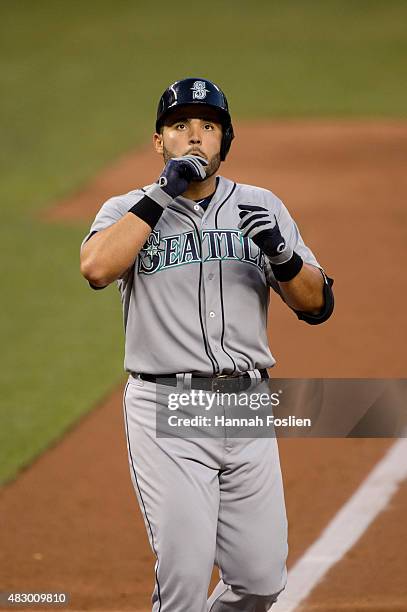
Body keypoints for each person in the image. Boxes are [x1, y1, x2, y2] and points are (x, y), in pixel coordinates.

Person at [80, 77, 334, 611]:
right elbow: (98, 269)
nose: (194, 137)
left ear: (225, 141)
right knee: (185, 579)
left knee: (260, 582)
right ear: (159, 142)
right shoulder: (126, 209)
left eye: (208, 127)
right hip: (167, 410)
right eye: (179, 127)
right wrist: (162, 193)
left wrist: (282, 256)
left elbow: (316, 306)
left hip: (246, 407)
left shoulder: (261, 205)